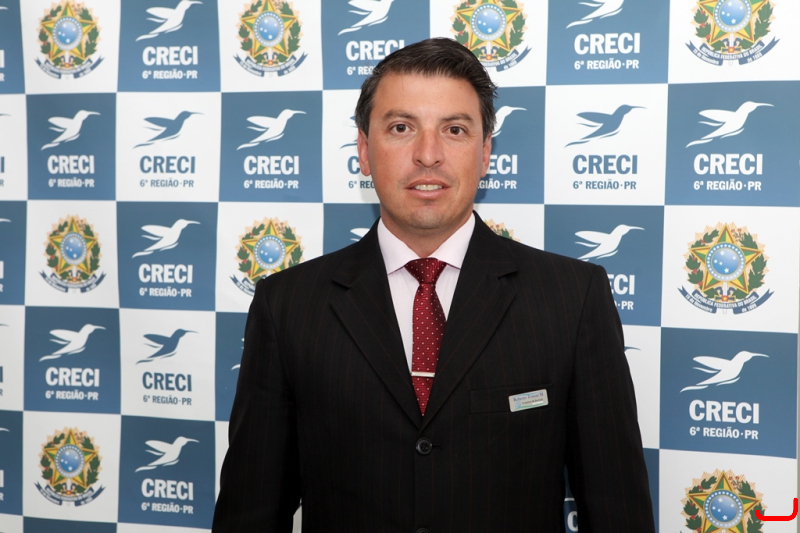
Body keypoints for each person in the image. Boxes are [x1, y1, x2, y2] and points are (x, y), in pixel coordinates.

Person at [213, 37, 655, 532]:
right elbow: (250, 511)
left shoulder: (572, 297)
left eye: (455, 130)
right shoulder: (288, 304)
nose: (428, 155)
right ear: (364, 150)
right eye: (401, 128)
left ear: (485, 153)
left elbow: (618, 511)